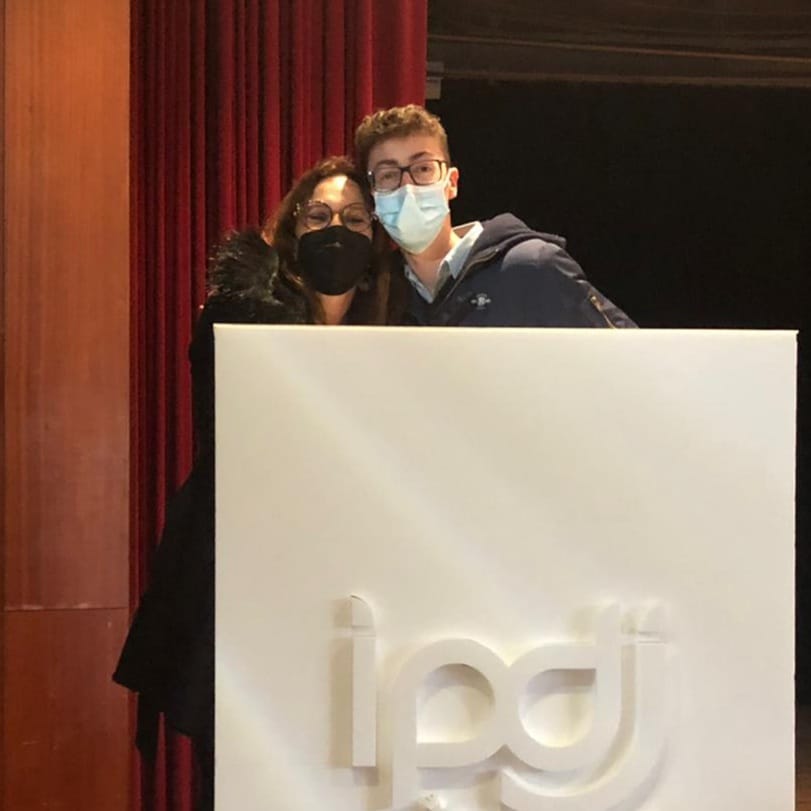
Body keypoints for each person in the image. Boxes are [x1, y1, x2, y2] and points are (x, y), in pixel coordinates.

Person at [113, 155, 402, 810]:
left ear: (376, 236)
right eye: (319, 215)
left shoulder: (397, 327)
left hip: (352, 583)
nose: (337, 230)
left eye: (356, 218)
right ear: (292, 226)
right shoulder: (240, 314)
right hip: (240, 566)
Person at [354, 104, 635, 328]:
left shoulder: (532, 268)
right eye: (388, 175)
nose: (407, 187)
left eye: (423, 168)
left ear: (452, 183)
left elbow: (630, 359)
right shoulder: (380, 297)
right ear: (373, 196)